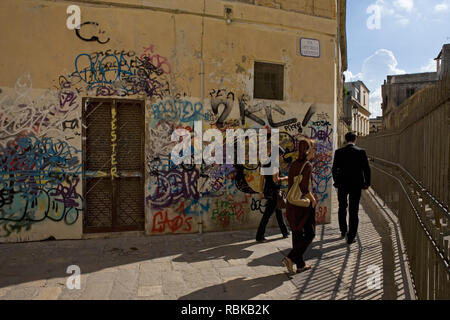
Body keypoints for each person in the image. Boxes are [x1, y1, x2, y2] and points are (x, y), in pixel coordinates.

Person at [283, 139, 317, 274]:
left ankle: (300, 264)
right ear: (308, 150)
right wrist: (313, 200)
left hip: (292, 204)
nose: (315, 151)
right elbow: (304, 188)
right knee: (310, 233)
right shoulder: (307, 165)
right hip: (303, 204)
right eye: (314, 148)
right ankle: (290, 258)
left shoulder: (294, 164)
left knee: (297, 233)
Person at [332, 132, 371, 245]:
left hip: (342, 185)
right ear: (355, 139)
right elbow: (366, 169)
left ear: (345, 139)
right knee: (354, 210)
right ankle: (351, 236)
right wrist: (367, 183)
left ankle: (343, 230)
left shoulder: (339, 152)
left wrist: (337, 182)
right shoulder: (361, 152)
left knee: (342, 207)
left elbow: (334, 169)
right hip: (356, 185)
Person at [256, 142, 289, 243]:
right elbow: (276, 179)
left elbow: (262, 178)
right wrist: (286, 177)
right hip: (274, 192)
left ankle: (285, 232)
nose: (281, 157)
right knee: (267, 214)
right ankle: (259, 236)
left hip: (268, 190)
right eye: (280, 155)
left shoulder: (265, 162)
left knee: (278, 212)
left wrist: (260, 191)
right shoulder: (274, 163)